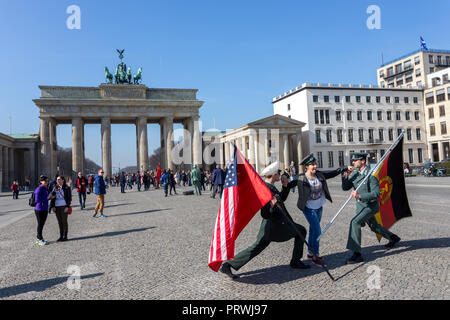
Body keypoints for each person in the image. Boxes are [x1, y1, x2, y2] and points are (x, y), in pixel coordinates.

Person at [219, 162, 310, 280]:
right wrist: (271, 206)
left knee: (258, 246)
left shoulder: (270, 187)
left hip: (276, 223)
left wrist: (285, 186)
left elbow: (280, 200)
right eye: (278, 173)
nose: (280, 175)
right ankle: (295, 261)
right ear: (273, 175)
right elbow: (264, 213)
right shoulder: (266, 189)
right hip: (274, 224)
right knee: (300, 231)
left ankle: (228, 265)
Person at [289, 154, 349, 267]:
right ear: (306, 167)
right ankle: (316, 255)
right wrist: (281, 186)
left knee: (313, 230)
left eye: (315, 164)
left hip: (319, 206)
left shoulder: (320, 175)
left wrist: (344, 168)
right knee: (317, 230)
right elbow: (289, 184)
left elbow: (332, 173)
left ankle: (310, 253)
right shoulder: (301, 178)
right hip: (308, 208)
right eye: (312, 164)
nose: (315, 166)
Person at [342, 152, 401, 264]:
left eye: (355, 160)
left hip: (370, 206)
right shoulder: (355, 173)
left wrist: (360, 196)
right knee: (374, 227)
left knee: (354, 222)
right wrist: (345, 176)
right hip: (361, 207)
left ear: (363, 161)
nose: (353, 162)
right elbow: (345, 187)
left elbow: (376, 193)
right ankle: (393, 237)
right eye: (353, 160)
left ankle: (357, 254)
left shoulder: (371, 175)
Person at [49, 175, 72, 242]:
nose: (58, 181)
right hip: (57, 207)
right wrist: (53, 206)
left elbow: (69, 198)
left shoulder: (67, 188)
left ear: (63, 180)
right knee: (59, 222)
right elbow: (52, 198)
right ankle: (61, 236)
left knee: (64, 221)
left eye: (59, 179)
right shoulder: (55, 188)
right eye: (57, 180)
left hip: (64, 206)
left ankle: (65, 236)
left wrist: (67, 206)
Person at [34, 175, 50, 246]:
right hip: (39, 209)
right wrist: (47, 198)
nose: (47, 182)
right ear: (41, 182)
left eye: (47, 181)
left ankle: (39, 238)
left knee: (42, 224)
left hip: (45, 208)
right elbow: (37, 200)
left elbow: (45, 198)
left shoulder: (45, 188)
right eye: (45, 181)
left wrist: (50, 198)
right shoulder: (38, 189)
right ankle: (40, 239)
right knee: (40, 224)